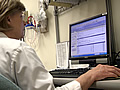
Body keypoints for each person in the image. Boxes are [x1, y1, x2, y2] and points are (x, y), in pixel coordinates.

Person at [0, 0, 120, 90]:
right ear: (8, 19)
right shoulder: (18, 49)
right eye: (21, 17)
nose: (25, 22)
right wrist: (89, 75)